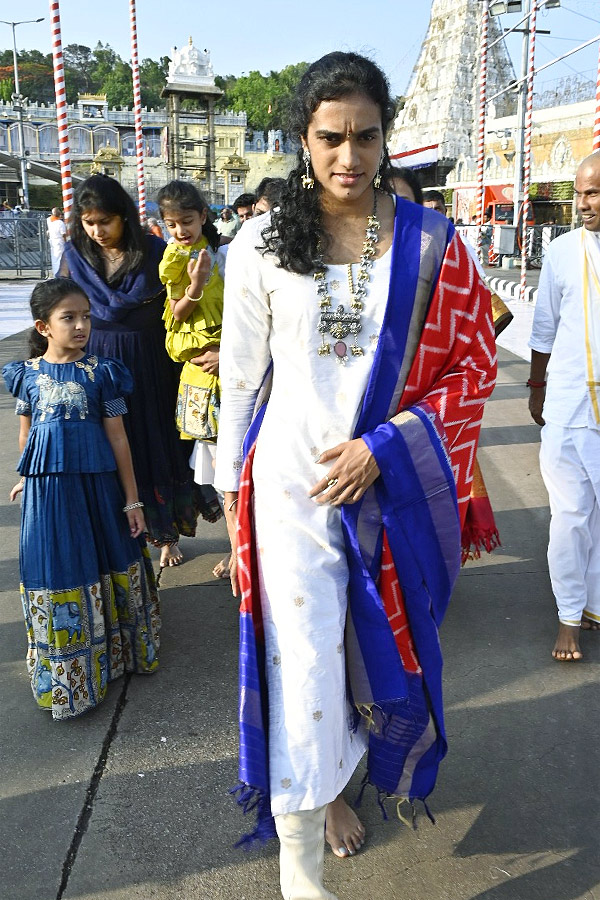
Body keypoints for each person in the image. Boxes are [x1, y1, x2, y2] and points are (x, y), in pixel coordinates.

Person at [215, 51, 496, 900]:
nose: (349, 158)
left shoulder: (430, 240)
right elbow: (239, 380)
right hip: (291, 493)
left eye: (366, 137)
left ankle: (341, 785)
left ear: (386, 135)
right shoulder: (260, 243)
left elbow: (474, 363)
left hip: (390, 486)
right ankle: (300, 871)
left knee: (365, 653)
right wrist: (233, 513)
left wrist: (386, 446)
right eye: (330, 139)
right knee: (300, 662)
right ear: (302, 139)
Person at [2, 278, 160, 719]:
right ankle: (72, 675)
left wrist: (132, 501)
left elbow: (119, 439)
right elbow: (27, 433)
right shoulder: (26, 375)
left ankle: (118, 657)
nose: (81, 325)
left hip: (99, 487)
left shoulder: (103, 373)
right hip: (48, 492)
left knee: (106, 560)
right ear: (44, 326)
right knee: (59, 567)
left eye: (85, 316)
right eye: (68, 318)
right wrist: (26, 474)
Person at [59, 175, 219, 573]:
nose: (97, 231)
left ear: (125, 218)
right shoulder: (75, 255)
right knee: (110, 449)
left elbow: (186, 305)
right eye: (89, 222)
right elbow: (61, 306)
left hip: (152, 363)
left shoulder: (155, 251)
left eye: (105, 222)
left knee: (155, 444)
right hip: (97, 364)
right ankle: (121, 535)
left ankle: (166, 536)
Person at [528, 151, 600, 662]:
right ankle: (569, 617)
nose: (583, 204)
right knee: (570, 517)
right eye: (579, 193)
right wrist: (535, 384)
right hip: (571, 405)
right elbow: (544, 326)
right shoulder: (560, 252)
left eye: (593, 193)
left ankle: (594, 604)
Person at [46, 207, 67, 276]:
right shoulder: (60, 223)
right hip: (59, 242)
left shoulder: (49, 221)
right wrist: (66, 242)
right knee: (60, 258)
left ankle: (55, 273)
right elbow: (63, 234)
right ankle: (59, 274)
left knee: (54, 259)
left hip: (52, 241)